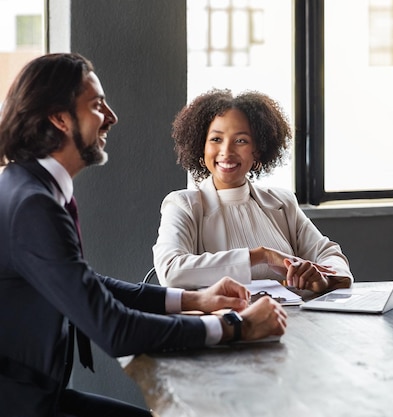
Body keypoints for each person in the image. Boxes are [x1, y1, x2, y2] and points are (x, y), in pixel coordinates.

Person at [0, 53, 288, 417]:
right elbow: (114, 328)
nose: (111, 117)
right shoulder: (32, 206)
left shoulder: (27, 187)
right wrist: (234, 326)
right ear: (59, 118)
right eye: (96, 105)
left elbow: (86, 285)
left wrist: (193, 301)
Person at [152, 88, 353, 293]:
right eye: (216, 139)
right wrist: (261, 256)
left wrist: (324, 279)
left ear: (258, 151)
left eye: (241, 141)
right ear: (201, 147)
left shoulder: (282, 202)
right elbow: (170, 271)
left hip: (294, 321)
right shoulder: (183, 204)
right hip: (225, 322)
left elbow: (329, 255)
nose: (227, 152)